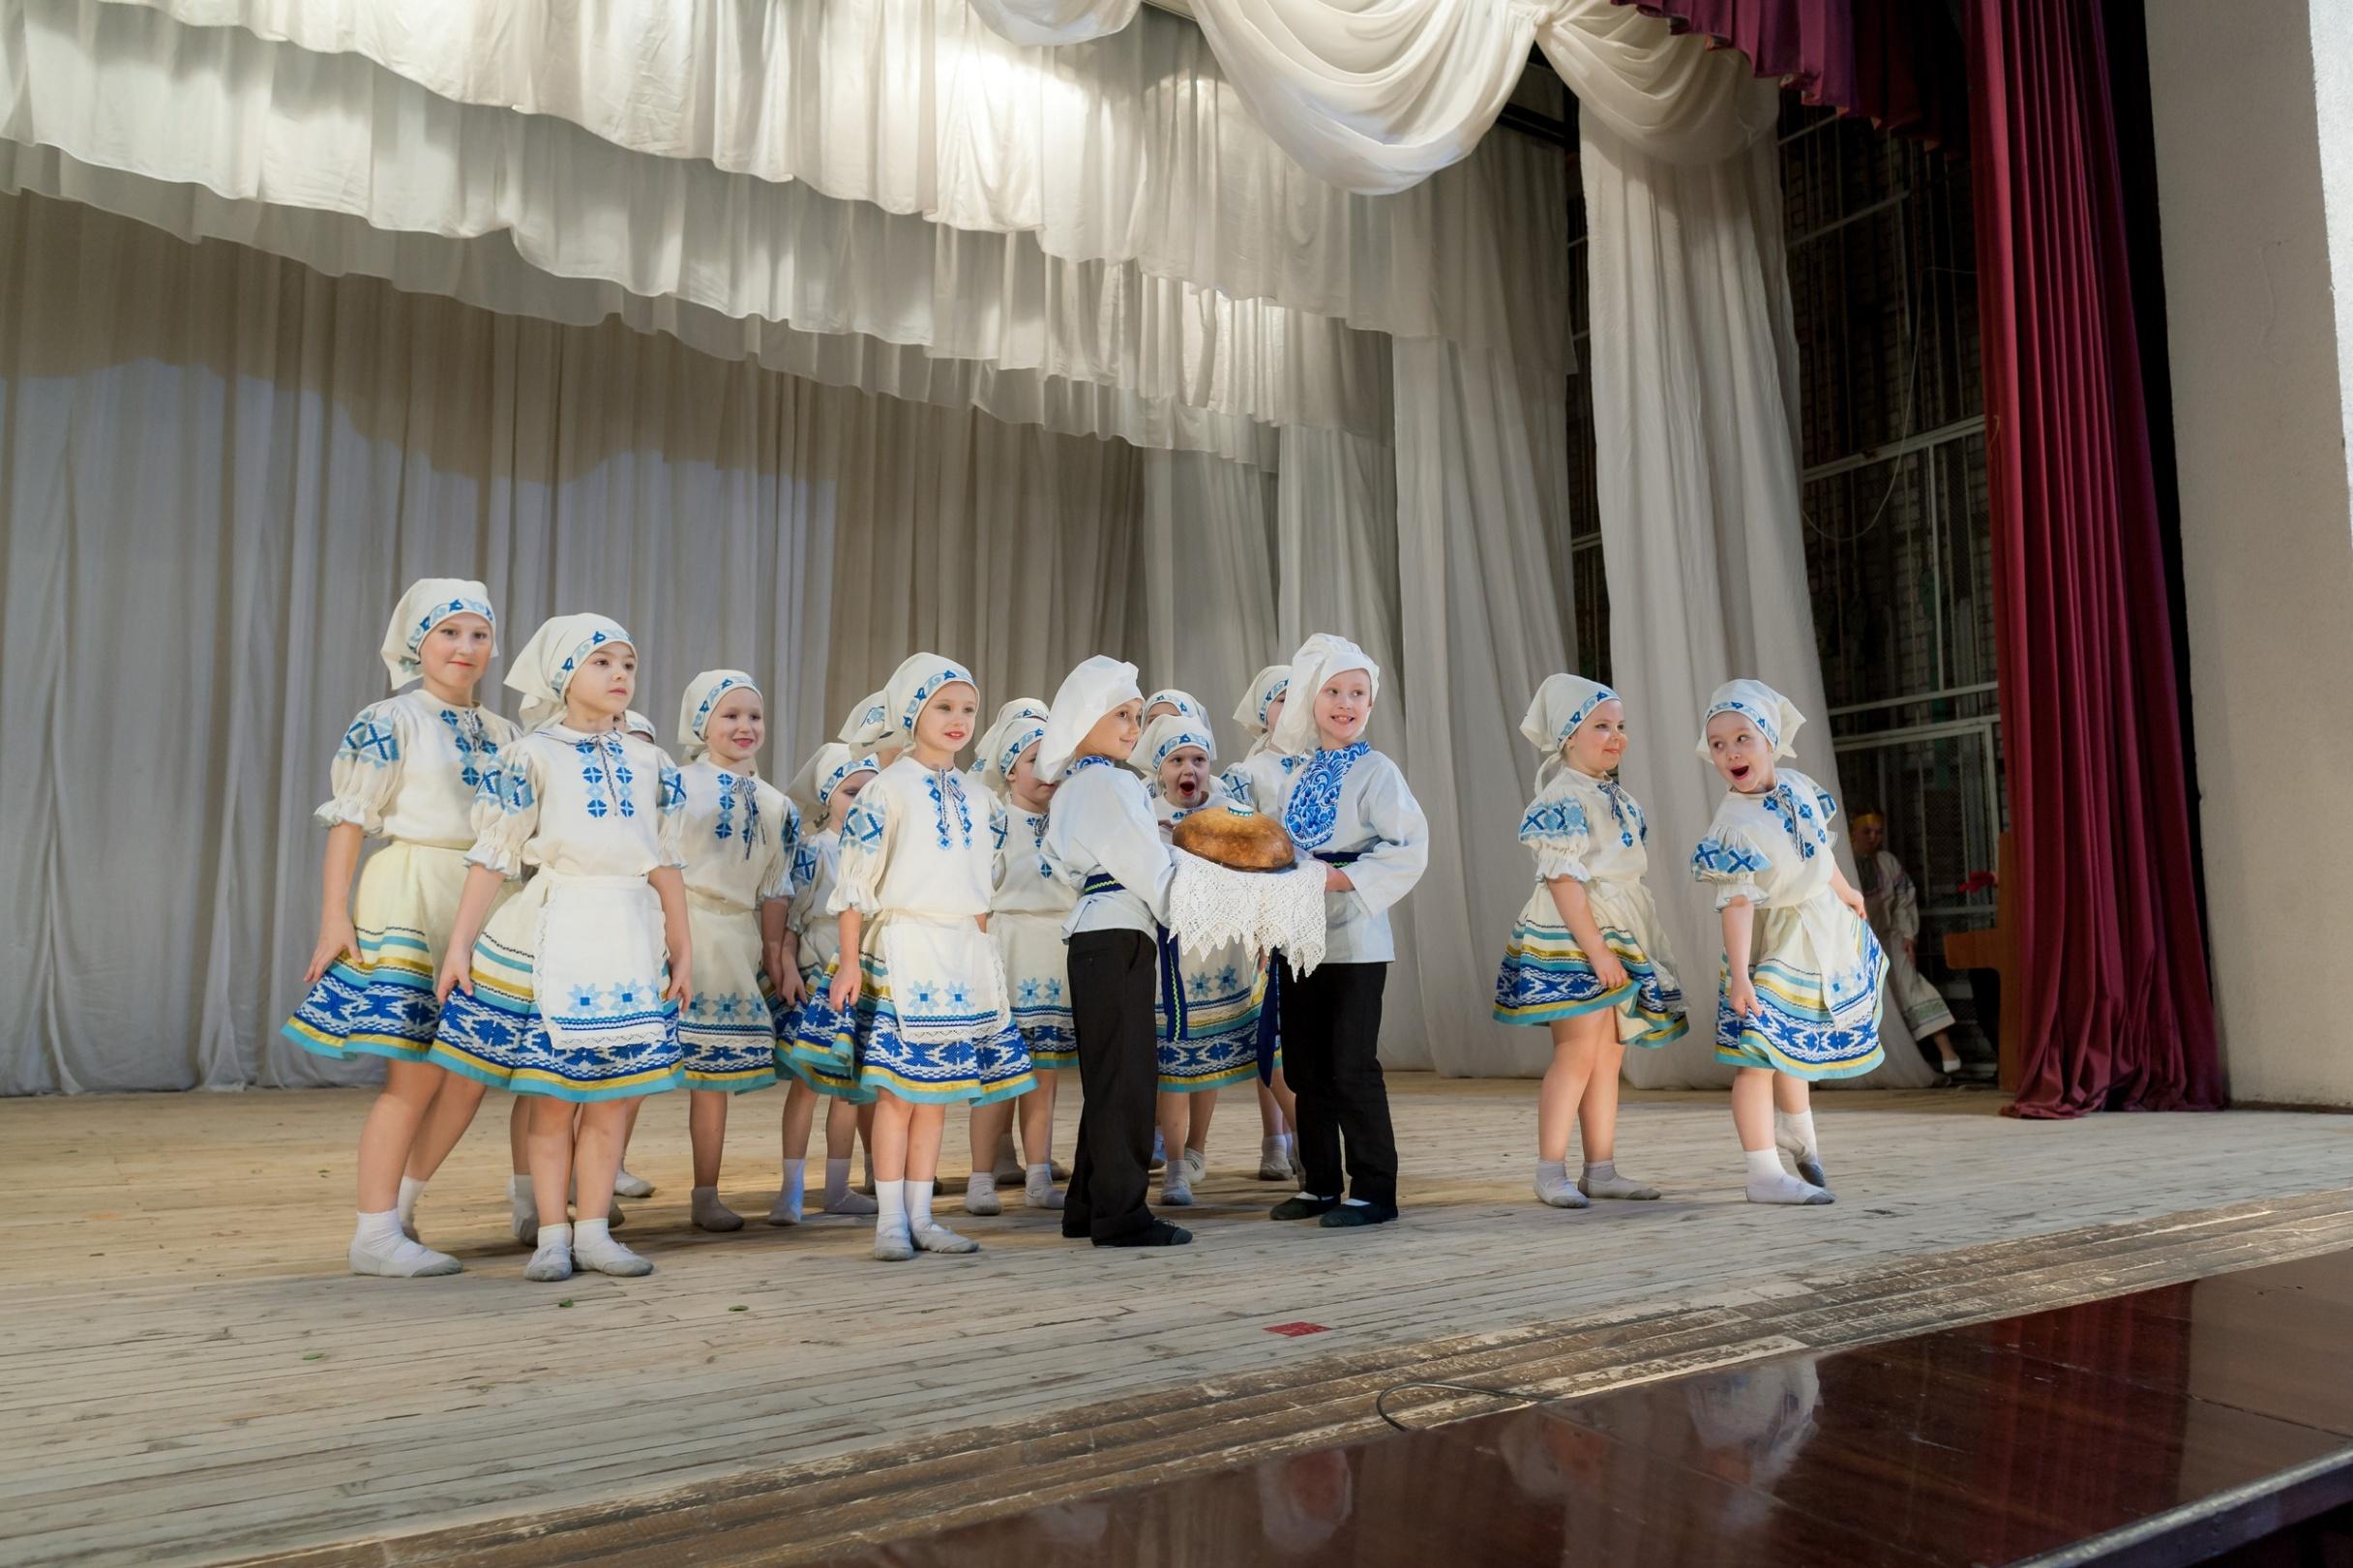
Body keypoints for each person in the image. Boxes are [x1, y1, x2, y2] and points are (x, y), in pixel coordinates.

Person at [432, 614, 693, 1280]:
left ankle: (595, 1232)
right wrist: (460, 945)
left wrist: (682, 947)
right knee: (552, 1098)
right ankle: (552, 1233)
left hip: (628, 933)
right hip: (560, 927)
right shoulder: (530, 755)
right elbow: (493, 855)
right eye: (601, 662)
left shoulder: (651, 761)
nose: (619, 675)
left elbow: (666, 862)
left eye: (627, 664)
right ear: (563, 674)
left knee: (611, 1098)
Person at [283, 578, 520, 1276]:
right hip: (413, 888)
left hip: (481, 898)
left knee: (471, 1071)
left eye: (479, 634)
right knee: (412, 1076)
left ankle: (401, 1210)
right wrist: (334, 914)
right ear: (419, 641)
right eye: (449, 632)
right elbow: (350, 820)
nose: (465, 647)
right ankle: (373, 1233)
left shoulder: (506, 734)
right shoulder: (390, 718)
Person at [792, 654, 1034, 1260]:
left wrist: (984, 960)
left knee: (938, 1094)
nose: (959, 719)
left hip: (960, 954)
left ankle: (924, 1217)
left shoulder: (981, 799)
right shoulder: (886, 790)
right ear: (912, 713)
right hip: (904, 947)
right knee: (898, 1096)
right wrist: (850, 962)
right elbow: (854, 885)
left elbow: (982, 889)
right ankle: (889, 1222)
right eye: (943, 706)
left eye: (968, 708)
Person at [1232, 635, 1428, 1229]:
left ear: (1371, 704)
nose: (1346, 703)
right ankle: (1319, 1183)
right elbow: (1259, 829)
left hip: (1355, 938)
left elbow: (1408, 849)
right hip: (1296, 933)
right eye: (1334, 692)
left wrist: (1336, 878)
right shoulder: (1288, 771)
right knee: (1305, 1067)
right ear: (1310, 701)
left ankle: (1375, 1189)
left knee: (1350, 1065)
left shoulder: (1377, 771)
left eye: (1358, 694)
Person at [1691, 679, 1888, 1206]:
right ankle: (1761, 1170)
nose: (1731, 752)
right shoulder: (1733, 824)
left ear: (1770, 740)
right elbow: (1737, 904)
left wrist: (1846, 891)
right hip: (1775, 940)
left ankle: (1800, 1134)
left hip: (1819, 928)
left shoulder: (1799, 787)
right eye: (1718, 744)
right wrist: (1740, 975)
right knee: (1758, 1053)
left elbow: (1818, 852)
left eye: (1743, 738)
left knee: (1792, 1049)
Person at [1493, 675, 1686, 1208]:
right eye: (1601, 726)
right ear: (1568, 736)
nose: (1616, 736)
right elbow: (1562, 880)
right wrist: (1597, 949)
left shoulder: (1615, 796)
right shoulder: (1562, 798)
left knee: (1607, 1054)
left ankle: (1600, 1169)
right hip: (1576, 931)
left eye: (1620, 726)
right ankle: (1549, 1170)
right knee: (1576, 1051)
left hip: (1617, 925)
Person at [1036, 656, 1192, 1248]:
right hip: (1119, 932)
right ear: (1085, 720)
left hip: (1094, 935)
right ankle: (1122, 1216)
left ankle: (1088, 1206)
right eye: (1120, 714)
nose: (1134, 727)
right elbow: (1148, 866)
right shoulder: (1112, 782)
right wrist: (1206, 898)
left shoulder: (1076, 786)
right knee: (1126, 1079)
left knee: (1108, 1076)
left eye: (1136, 715)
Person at [670, 670, 798, 1231]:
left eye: (754, 716)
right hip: (680, 928)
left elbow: (776, 886)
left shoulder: (777, 805)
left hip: (733, 937)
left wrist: (773, 951)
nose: (745, 726)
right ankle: (595, 1181)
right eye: (730, 715)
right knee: (636, 1070)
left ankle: (706, 1193)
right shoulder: (677, 784)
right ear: (702, 723)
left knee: (712, 1080)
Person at [1135, 714, 1261, 1205]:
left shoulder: (1233, 812)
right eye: (1176, 760)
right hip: (1169, 951)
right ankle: (1173, 1169)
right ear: (1160, 769)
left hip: (1218, 951)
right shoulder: (1143, 815)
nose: (1189, 769)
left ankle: (1196, 1151)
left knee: (1206, 1059)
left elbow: (1257, 873)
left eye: (1199, 759)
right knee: (1173, 1063)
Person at [1849, 811, 1963, 1077]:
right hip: (1856, 943)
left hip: (1889, 937)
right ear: (1853, 833)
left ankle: (1947, 1052)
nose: (1874, 837)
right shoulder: (1845, 863)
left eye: (1878, 832)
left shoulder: (1887, 862)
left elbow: (1903, 899)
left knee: (1911, 987)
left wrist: (1909, 934)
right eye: (1867, 832)